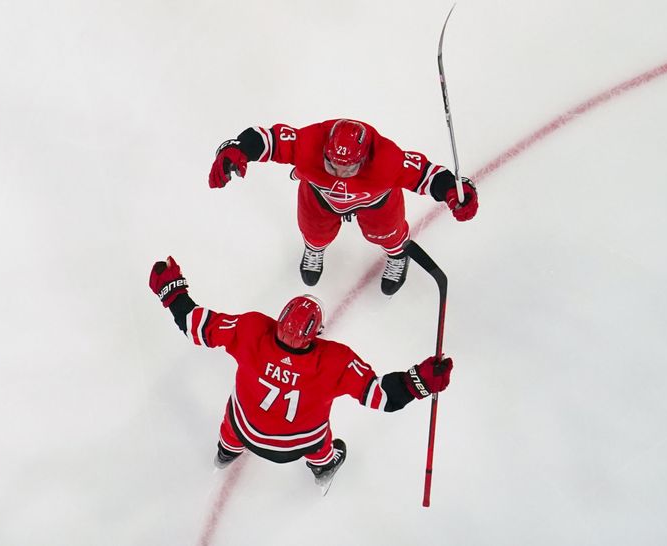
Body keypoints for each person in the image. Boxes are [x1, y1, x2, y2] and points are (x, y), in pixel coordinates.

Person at [149, 256, 454, 488]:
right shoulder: (335, 360)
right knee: (319, 439)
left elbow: (196, 326)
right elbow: (382, 397)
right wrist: (421, 381)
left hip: (244, 428)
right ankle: (323, 466)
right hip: (297, 446)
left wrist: (172, 293)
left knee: (235, 417)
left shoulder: (251, 329)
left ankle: (226, 451)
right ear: (317, 333)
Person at [208, 118, 478, 295]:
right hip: (320, 198)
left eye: (348, 167)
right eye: (331, 164)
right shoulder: (308, 142)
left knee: (388, 233)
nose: (338, 172)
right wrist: (237, 150)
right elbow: (268, 139)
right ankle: (314, 250)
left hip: (376, 202)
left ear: (365, 158)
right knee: (314, 230)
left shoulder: (388, 159)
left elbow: (427, 175)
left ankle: (397, 255)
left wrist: (454, 191)